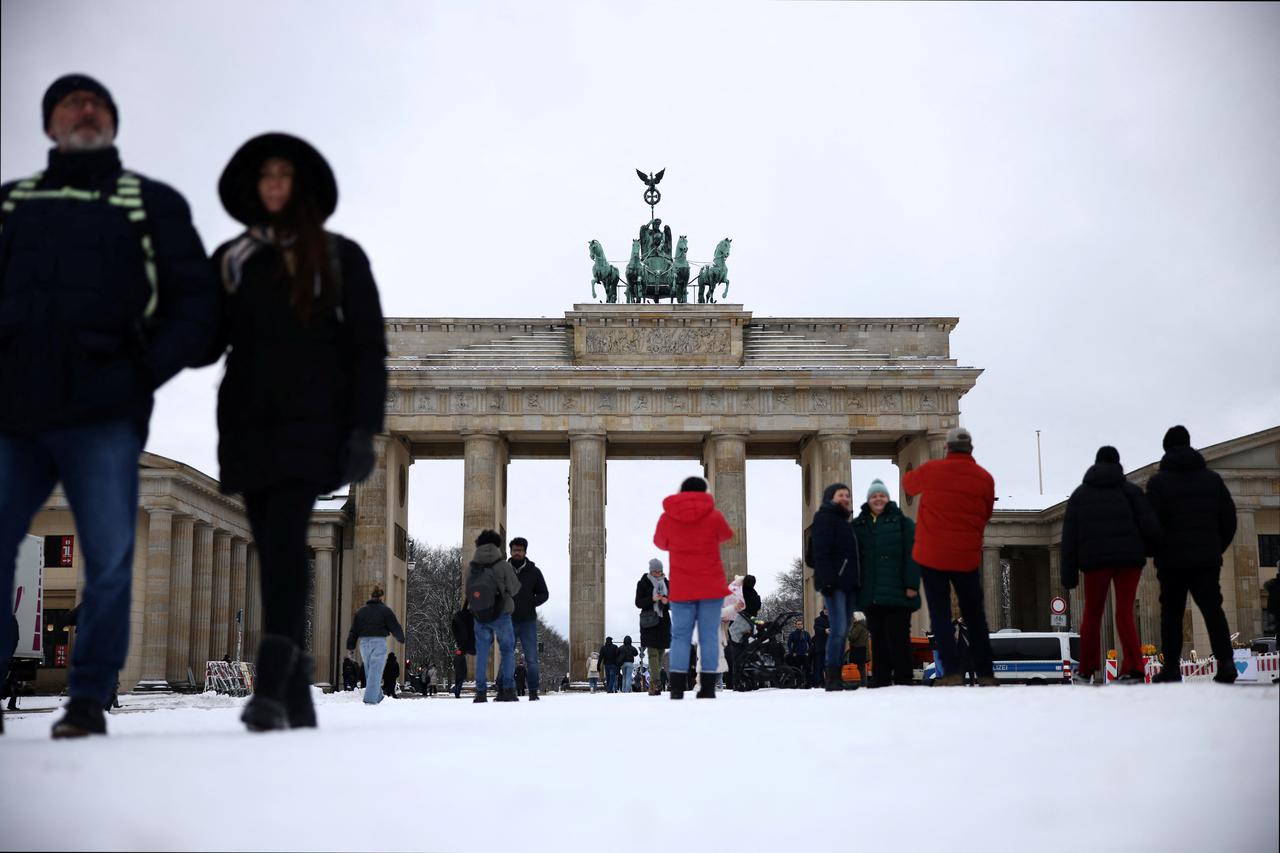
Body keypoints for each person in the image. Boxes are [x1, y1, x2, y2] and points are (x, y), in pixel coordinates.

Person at [0, 74, 220, 739]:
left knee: (110, 555)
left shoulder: (149, 202)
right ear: (49, 125)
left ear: (114, 122)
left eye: (97, 103)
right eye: (70, 103)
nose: (85, 110)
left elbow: (199, 308)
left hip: (103, 409)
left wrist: (139, 371)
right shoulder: (10, 204)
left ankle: (89, 695)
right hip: (12, 409)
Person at [204, 132, 387, 731]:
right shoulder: (233, 257)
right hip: (248, 421)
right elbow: (203, 338)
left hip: (312, 420)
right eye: (266, 175)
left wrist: (362, 429)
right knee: (274, 544)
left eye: (286, 174)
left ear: (302, 186)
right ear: (253, 188)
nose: (276, 183)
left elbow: (368, 350)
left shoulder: (339, 256)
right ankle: (299, 687)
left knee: (283, 538)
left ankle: (275, 678)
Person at [902, 427, 997, 687]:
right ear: (971, 449)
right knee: (975, 616)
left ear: (948, 448)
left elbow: (908, 483)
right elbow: (986, 513)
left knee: (941, 615)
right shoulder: (985, 478)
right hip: (966, 556)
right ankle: (986, 673)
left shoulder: (933, 470)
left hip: (933, 556)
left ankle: (952, 672)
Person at [1061, 445, 1162, 685]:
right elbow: (1151, 527)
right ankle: (1135, 668)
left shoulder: (1080, 495)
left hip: (1095, 562)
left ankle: (1086, 670)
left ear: (1095, 464)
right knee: (1125, 612)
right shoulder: (1132, 492)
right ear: (1118, 464)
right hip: (1129, 562)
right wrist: (1148, 551)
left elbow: (1070, 538)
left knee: (1092, 615)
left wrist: (1069, 574)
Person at [1146, 426, 1239, 684]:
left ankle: (1172, 668)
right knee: (1213, 611)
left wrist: (1157, 551)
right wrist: (1215, 548)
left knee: (1172, 615)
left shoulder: (1158, 483)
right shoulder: (1212, 480)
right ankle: (1227, 663)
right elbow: (1229, 519)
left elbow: (1150, 524)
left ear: (1166, 448)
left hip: (1172, 561)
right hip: (1206, 560)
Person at [653, 475, 733, 700]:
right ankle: (707, 688)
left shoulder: (668, 517)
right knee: (708, 635)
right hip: (710, 585)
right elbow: (726, 535)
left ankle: (677, 687)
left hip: (682, 586)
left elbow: (660, 542)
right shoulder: (714, 515)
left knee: (679, 636)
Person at [852, 479, 921, 687]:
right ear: (869, 500)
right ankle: (881, 679)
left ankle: (903, 678)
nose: (878, 499)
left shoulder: (903, 523)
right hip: (871, 594)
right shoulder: (859, 525)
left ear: (887, 498)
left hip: (898, 592)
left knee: (898, 637)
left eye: (881, 495)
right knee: (878, 639)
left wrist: (912, 584)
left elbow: (913, 555)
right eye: (874, 496)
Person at [809, 483, 861, 691]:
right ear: (830, 497)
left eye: (848, 495)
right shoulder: (824, 518)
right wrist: (828, 580)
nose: (846, 498)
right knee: (838, 629)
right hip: (834, 583)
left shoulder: (845, 522)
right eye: (841, 495)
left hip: (849, 584)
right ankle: (832, 677)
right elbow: (821, 552)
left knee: (843, 630)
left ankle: (836, 675)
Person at [466, 529, 521, 702]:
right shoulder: (503, 565)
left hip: (480, 615)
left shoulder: (472, 567)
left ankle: (480, 692)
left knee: (482, 652)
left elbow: (467, 590)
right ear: (497, 545)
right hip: (502, 613)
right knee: (507, 651)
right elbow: (514, 588)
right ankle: (508, 688)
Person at [345, 586, 405, 705]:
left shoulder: (361, 611)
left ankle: (377, 695)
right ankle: (371, 699)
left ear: (371, 597)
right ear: (381, 597)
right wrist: (401, 637)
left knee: (369, 670)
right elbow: (394, 626)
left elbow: (354, 630)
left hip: (364, 643)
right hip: (378, 641)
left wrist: (350, 647)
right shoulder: (385, 611)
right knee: (375, 671)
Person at [508, 536, 549, 701]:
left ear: (525, 552)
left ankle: (533, 691)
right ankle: (506, 690)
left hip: (528, 620)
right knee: (507, 656)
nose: (517, 552)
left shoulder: (534, 571)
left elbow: (544, 593)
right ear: (510, 551)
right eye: (514, 550)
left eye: (520, 550)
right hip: (508, 620)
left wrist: (531, 602)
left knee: (532, 658)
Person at [636, 559, 672, 696]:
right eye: (655, 571)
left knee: (660, 653)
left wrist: (666, 601)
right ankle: (656, 682)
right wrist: (652, 599)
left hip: (663, 622)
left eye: (660, 571)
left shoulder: (667, 583)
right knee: (652, 652)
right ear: (650, 570)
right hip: (649, 622)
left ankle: (654, 684)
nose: (658, 573)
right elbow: (638, 602)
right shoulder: (643, 583)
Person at [786, 620, 813, 686]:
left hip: (805, 654)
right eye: (798, 624)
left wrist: (808, 652)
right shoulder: (793, 634)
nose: (800, 625)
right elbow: (789, 644)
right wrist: (792, 652)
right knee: (797, 670)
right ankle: (798, 683)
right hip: (796, 655)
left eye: (801, 624)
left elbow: (810, 643)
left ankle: (808, 684)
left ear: (802, 625)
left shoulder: (806, 633)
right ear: (795, 625)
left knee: (807, 669)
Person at [846, 612, 869, 689]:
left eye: (854, 617)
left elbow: (852, 637)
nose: (852, 619)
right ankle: (863, 683)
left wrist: (847, 632)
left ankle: (863, 684)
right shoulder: (862, 625)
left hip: (859, 649)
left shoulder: (858, 626)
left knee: (861, 668)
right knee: (861, 667)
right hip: (861, 649)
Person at [812, 608, 830, 687]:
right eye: (825, 610)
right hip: (820, 646)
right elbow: (817, 629)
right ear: (823, 610)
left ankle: (829, 681)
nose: (827, 611)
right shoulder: (818, 619)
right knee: (819, 666)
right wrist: (825, 630)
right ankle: (819, 682)